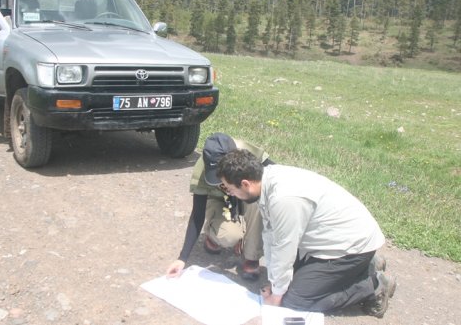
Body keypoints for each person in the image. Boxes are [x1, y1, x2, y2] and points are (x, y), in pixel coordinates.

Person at [215, 149, 397, 318]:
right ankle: (367, 265)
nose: (230, 193)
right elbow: (271, 237)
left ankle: (372, 285)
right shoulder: (267, 179)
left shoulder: (283, 199)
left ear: (245, 184)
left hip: (351, 246)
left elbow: (283, 248)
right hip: (338, 239)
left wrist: (277, 296)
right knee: (286, 284)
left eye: (229, 189)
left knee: (293, 302)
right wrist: (274, 283)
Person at [165, 133, 274, 280]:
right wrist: (182, 258)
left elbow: (274, 173)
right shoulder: (201, 170)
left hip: (244, 196)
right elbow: (197, 215)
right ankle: (213, 234)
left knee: (258, 201)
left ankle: (251, 256)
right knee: (229, 237)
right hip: (219, 200)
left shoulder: (246, 151)